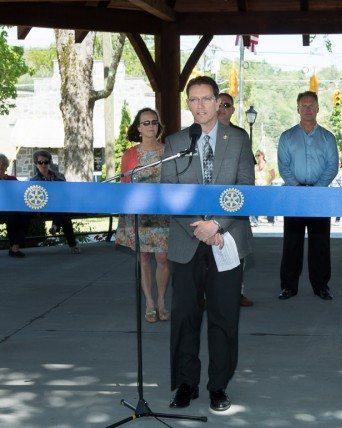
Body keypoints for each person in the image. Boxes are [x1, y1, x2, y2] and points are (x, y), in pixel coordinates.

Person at [160, 76, 254, 411]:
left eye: (205, 99)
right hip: (187, 243)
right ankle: (186, 384)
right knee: (185, 316)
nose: (199, 106)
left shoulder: (239, 139)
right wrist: (198, 228)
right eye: (193, 100)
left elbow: (245, 189)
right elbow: (169, 193)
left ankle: (218, 386)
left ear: (218, 102)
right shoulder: (174, 142)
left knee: (223, 317)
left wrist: (217, 225)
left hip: (227, 241)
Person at [277, 91, 339, 301]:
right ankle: (288, 286)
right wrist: (297, 188)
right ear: (297, 109)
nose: (308, 109)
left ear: (318, 108)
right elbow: (283, 167)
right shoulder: (287, 137)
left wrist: (317, 188)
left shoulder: (328, 137)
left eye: (311, 105)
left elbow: (332, 166)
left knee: (320, 243)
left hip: (320, 196)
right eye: (303, 106)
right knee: (291, 243)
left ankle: (321, 286)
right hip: (294, 196)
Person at [115, 108, 170, 323]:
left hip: (162, 212)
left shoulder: (168, 151)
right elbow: (124, 185)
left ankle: (162, 300)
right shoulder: (130, 155)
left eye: (154, 122)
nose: (150, 126)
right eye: (145, 123)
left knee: (163, 258)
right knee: (144, 257)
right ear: (138, 128)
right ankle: (149, 302)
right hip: (138, 213)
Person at [217, 92, 255, 307]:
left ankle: (237, 292)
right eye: (219, 104)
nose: (222, 108)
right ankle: (205, 295)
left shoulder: (240, 136)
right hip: (207, 206)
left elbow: (247, 175)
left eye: (227, 105)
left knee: (237, 250)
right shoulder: (199, 134)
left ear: (232, 110)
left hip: (234, 202)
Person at [30, 150, 80, 254]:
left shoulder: (59, 176)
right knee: (63, 211)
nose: (43, 164)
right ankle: (72, 245)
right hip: (43, 208)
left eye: (46, 162)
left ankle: (55, 226)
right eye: (40, 162)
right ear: (36, 164)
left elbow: (65, 192)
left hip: (58, 206)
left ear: (50, 163)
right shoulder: (33, 180)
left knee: (62, 210)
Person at [0, 154, 30, 258]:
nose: (1, 166)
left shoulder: (12, 179)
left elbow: (20, 193)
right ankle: (14, 248)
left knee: (25, 216)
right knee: (11, 216)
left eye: (3, 164)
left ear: (5, 166)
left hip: (12, 208)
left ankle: (15, 247)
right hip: (3, 210)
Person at [254, 149, 276, 225]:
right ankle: (255, 220)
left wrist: (268, 184)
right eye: (256, 155)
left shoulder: (268, 165)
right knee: (256, 204)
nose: (257, 157)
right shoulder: (255, 167)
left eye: (258, 155)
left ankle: (270, 220)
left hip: (267, 187)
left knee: (268, 204)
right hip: (257, 188)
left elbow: (273, 176)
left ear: (263, 155)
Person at [330, 159, 342, 224]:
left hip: (339, 191)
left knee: (339, 205)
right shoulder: (331, 171)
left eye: (338, 163)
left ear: (340, 164)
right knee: (332, 205)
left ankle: (337, 219)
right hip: (331, 190)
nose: (337, 164)